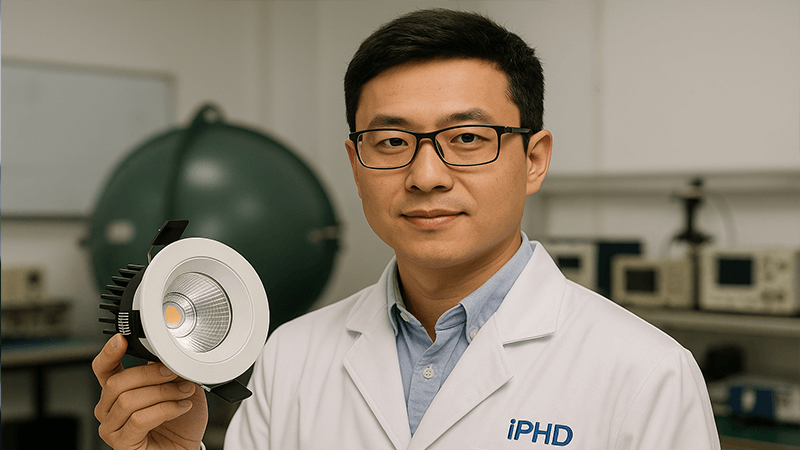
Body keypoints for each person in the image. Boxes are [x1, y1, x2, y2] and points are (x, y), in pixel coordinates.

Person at [93, 8, 721, 450]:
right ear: (355, 163)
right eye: (392, 141)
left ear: (534, 160)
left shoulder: (647, 373)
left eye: (468, 138)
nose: (426, 175)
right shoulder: (290, 356)